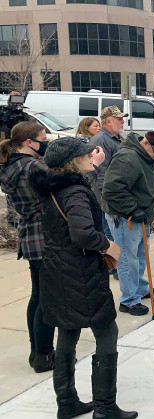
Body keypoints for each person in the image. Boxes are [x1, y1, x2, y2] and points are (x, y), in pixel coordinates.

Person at [29, 137, 137, 419]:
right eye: (87, 154)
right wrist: (106, 244)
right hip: (82, 273)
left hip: (56, 270)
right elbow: (83, 234)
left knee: (67, 333)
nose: (93, 154)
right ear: (73, 161)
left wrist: (94, 167)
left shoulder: (55, 186)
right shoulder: (75, 192)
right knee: (106, 332)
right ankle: (105, 407)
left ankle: (66, 404)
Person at [0, 121, 56, 373]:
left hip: (29, 234)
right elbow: (59, 187)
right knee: (48, 299)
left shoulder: (12, 167)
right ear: (30, 142)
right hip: (45, 235)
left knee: (38, 296)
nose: (46, 141)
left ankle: (37, 351)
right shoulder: (34, 166)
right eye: (43, 137)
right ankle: (44, 354)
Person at [101, 131, 154, 316]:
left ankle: (139, 288)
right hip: (125, 218)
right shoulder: (127, 157)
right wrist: (132, 209)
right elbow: (111, 189)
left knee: (139, 255)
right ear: (145, 143)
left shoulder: (144, 156)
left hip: (141, 216)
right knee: (126, 258)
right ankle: (129, 300)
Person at [89, 106, 128, 281]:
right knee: (112, 233)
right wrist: (110, 199)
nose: (122, 121)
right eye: (118, 118)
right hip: (108, 197)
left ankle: (121, 268)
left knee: (115, 233)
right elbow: (100, 173)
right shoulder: (100, 141)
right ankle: (117, 267)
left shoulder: (116, 138)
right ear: (108, 121)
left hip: (117, 194)